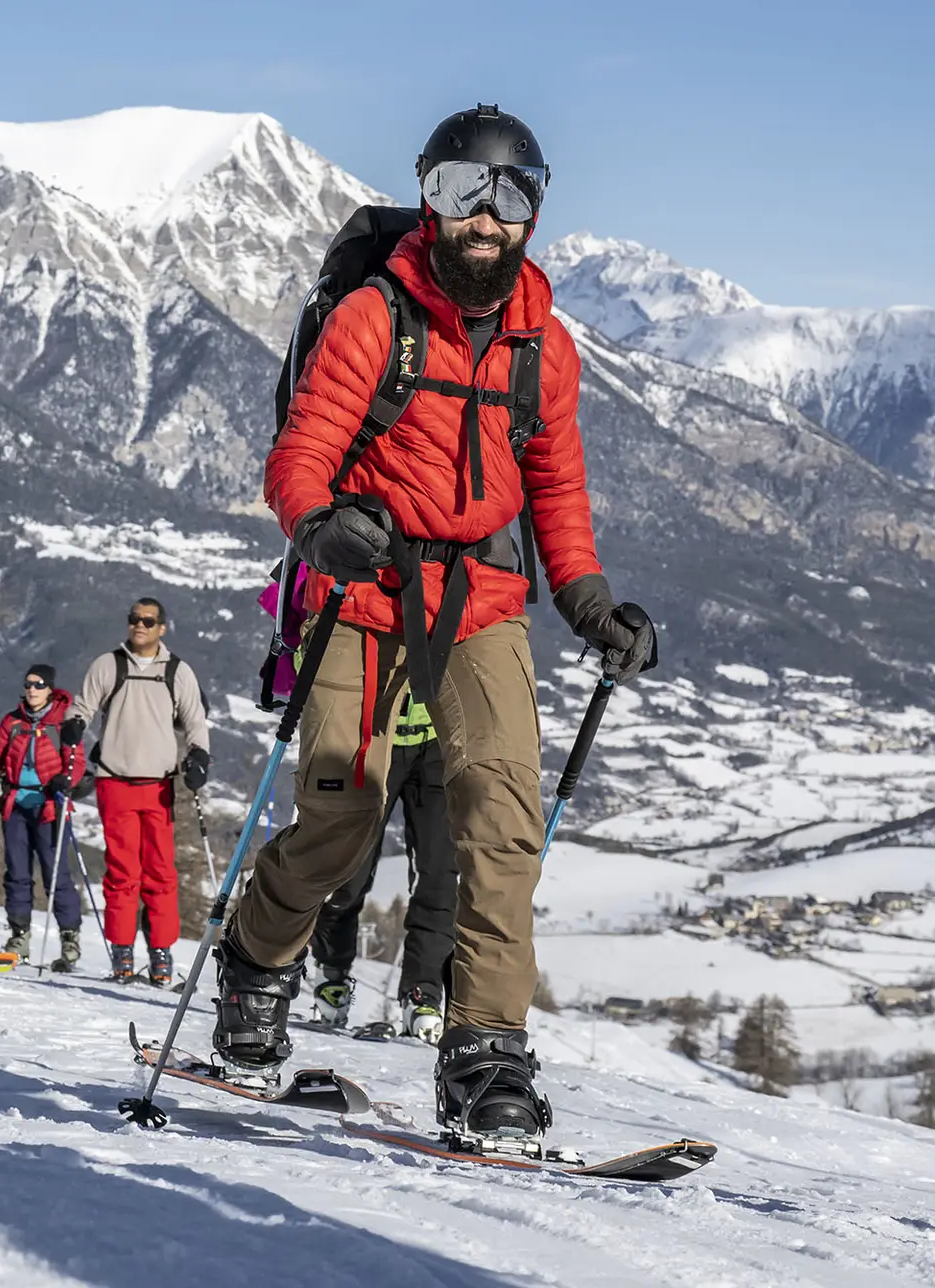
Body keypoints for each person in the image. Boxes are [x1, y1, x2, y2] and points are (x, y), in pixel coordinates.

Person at [227, 104, 658, 1141]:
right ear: (428, 197)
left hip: (483, 603)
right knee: (343, 816)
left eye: (511, 195)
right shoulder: (376, 317)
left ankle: (483, 1049)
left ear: (535, 212)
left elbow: (556, 491)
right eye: (463, 190)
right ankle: (254, 961)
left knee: (501, 826)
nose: (485, 216)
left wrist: (590, 601)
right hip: (364, 593)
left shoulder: (544, 350)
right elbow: (301, 451)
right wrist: (320, 525)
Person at [65, 598, 211, 986]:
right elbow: (83, 706)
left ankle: (161, 953)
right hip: (115, 780)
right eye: (134, 620)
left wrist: (199, 756)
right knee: (121, 873)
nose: (140, 626)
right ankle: (122, 951)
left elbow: (195, 717)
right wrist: (74, 725)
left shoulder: (177, 671)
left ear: (162, 627)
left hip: (159, 784)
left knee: (161, 874)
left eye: (148, 621)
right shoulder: (108, 665)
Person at [306, 696, 452, 1042]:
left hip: (437, 739)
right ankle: (332, 972)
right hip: (373, 733)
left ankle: (423, 994)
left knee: (440, 876)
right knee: (350, 869)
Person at [0, 663, 87, 967]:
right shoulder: (13, 722)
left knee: (55, 873)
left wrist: (66, 780)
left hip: (49, 807)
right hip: (16, 803)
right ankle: (19, 936)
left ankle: (69, 939)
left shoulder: (62, 724)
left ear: (50, 689)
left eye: (39, 685)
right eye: (29, 684)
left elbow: (77, 762)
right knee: (17, 872)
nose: (32, 690)